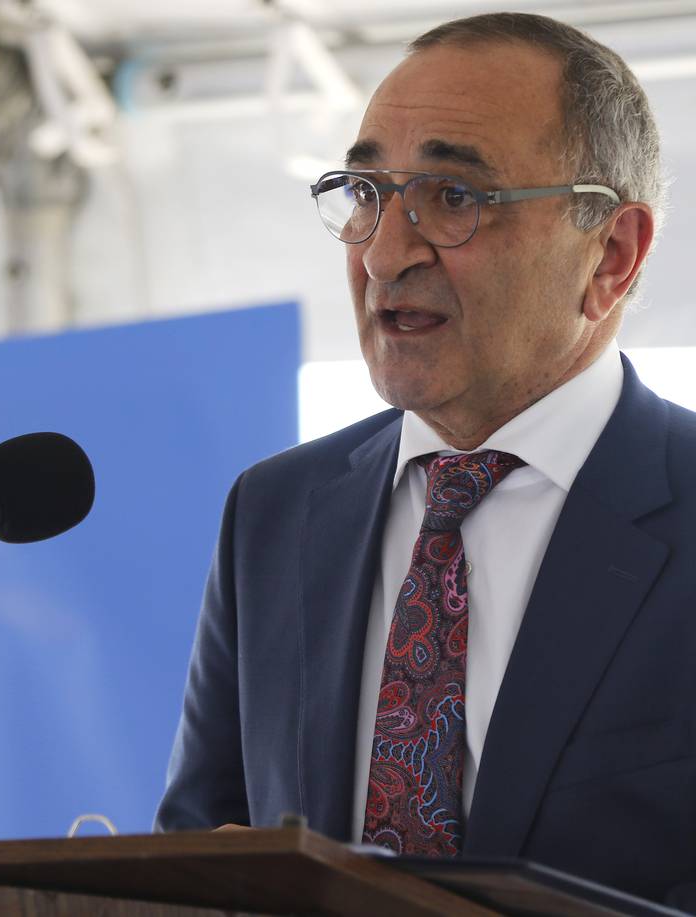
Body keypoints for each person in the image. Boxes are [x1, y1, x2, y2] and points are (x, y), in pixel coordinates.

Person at [157, 11, 696, 909]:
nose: (384, 251)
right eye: (365, 193)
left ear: (611, 254)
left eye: (452, 197)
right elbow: (197, 842)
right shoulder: (275, 511)